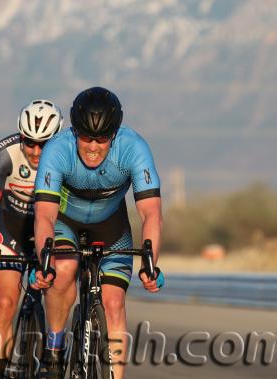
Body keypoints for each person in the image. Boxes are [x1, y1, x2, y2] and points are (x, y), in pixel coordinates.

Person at [31, 87, 165, 379]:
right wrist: (45, 260)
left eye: (102, 138)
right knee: (63, 268)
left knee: (114, 303)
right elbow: (44, 214)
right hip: (65, 222)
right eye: (86, 137)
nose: (93, 146)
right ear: (74, 131)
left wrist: (150, 262)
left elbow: (150, 212)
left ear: (114, 135)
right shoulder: (57, 149)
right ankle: (54, 350)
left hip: (111, 225)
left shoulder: (134, 147)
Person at [0, 99, 64, 378]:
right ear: (21, 137)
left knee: (62, 284)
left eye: (44, 143)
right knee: (5, 302)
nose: (36, 151)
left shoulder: (67, 154)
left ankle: (55, 352)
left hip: (49, 230)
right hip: (10, 228)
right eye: (30, 142)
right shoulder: (7, 153)